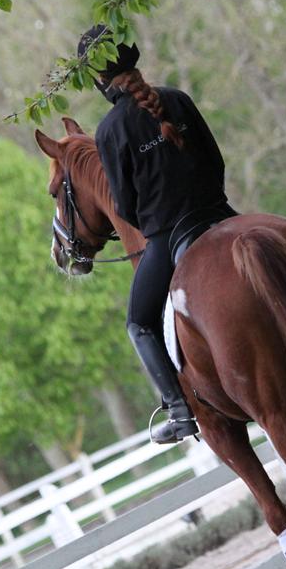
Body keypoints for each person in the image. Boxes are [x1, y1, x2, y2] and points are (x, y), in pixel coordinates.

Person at [79, 25, 235, 444]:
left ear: (100, 81)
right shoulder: (177, 100)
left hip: (169, 235)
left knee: (139, 324)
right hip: (220, 214)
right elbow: (215, 162)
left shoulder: (110, 131)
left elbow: (125, 207)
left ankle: (181, 412)